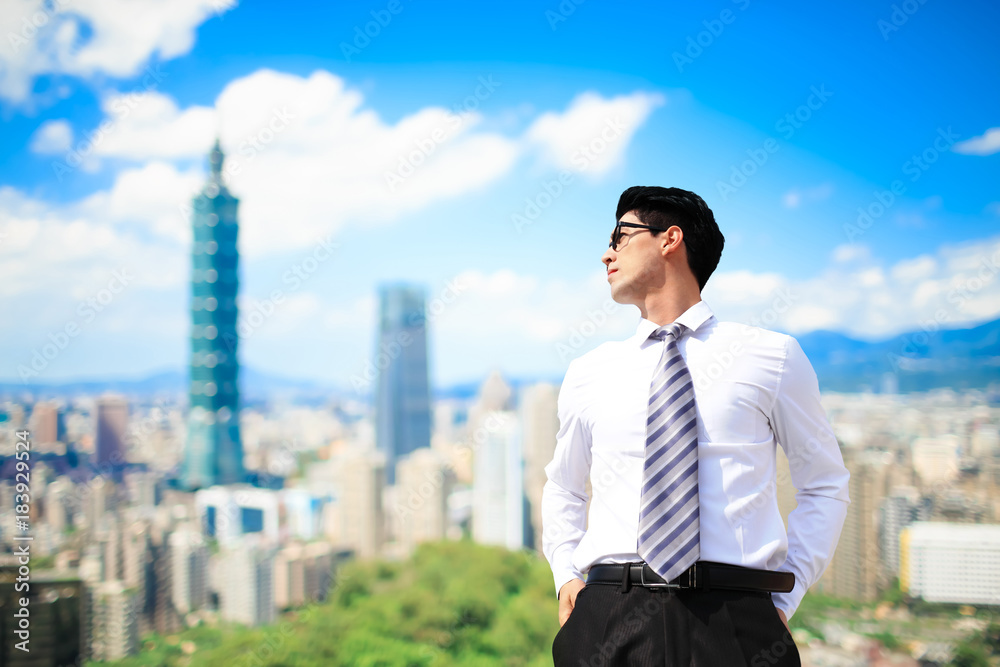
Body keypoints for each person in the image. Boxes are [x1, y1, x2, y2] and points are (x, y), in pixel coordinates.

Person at [541, 185, 851, 666]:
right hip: (607, 618)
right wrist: (566, 575)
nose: (606, 255)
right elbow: (563, 488)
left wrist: (783, 598)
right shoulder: (589, 372)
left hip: (736, 620)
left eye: (620, 236)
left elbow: (826, 484)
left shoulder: (773, 356)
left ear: (670, 239)